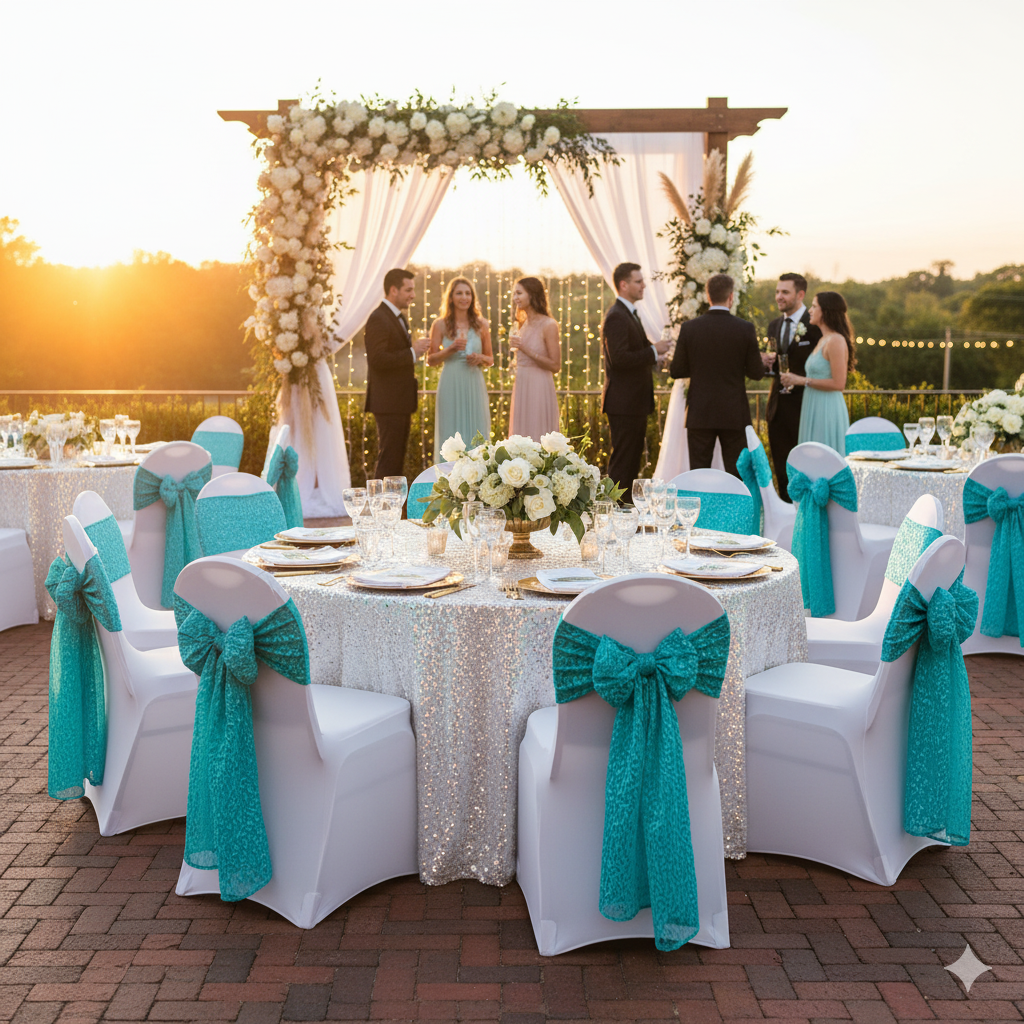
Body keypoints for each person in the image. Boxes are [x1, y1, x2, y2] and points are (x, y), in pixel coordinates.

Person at [670, 273, 765, 477]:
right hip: (734, 413)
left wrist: (699, 365)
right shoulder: (745, 328)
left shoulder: (689, 328)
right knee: (737, 473)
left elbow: (676, 370)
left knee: (699, 472)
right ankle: (735, 500)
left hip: (700, 412)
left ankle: (700, 499)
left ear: (708, 296)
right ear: (731, 296)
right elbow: (757, 373)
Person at [602, 262, 671, 500]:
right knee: (623, 459)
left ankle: (624, 507)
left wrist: (656, 357)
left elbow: (634, 352)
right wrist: (653, 350)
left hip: (633, 402)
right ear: (623, 284)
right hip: (624, 402)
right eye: (638, 281)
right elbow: (619, 359)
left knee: (631, 459)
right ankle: (614, 507)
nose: (643, 286)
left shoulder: (629, 313)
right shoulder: (617, 316)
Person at [364, 268, 430, 479]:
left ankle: (391, 499)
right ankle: (381, 499)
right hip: (388, 402)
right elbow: (378, 359)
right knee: (389, 459)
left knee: (395, 460)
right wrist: (412, 352)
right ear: (393, 290)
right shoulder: (379, 318)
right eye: (408, 290)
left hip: (399, 401)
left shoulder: (396, 317)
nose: (413, 295)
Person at [763, 273, 821, 501]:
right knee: (781, 466)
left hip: (805, 407)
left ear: (800, 294)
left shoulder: (814, 324)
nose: (779, 296)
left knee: (807, 467)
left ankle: (806, 512)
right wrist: (765, 363)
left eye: (785, 292)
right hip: (777, 408)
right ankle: (785, 513)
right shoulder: (774, 325)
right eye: (777, 292)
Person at [427, 277, 493, 460]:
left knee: (477, 429)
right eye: (459, 293)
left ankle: (479, 473)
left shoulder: (482, 324)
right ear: (451, 297)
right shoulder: (440, 324)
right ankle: (448, 473)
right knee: (450, 430)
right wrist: (451, 349)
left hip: (473, 382)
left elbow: (490, 359)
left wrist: (480, 358)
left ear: (472, 297)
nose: (464, 297)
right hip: (450, 381)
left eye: (467, 293)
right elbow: (431, 359)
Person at [781, 291, 853, 453]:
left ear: (826, 311)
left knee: (824, 456)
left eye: (814, 306)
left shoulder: (836, 340)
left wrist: (801, 380)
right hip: (812, 404)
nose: (810, 310)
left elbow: (839, 384)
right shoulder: (823, 339)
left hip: (826, 408)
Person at [508, 277, 560, 441]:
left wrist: (525, 349)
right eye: (514, 294)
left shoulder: (549, 324)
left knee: (538, 432)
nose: (515, 298)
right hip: (521, 384)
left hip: (539, 385)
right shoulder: (522, 324)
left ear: (532, 294)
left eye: (519, 293)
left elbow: (555, 365)